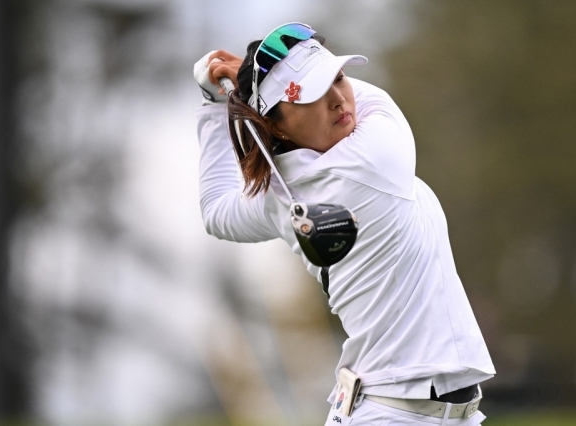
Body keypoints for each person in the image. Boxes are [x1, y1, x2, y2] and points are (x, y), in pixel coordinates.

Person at [193, 22, 495, 426]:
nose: (338, 99)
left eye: (338, 78)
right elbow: (373, 99)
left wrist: (216, 104)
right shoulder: (375, 157)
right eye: (314, 94)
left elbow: (215, 211)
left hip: (416, 411)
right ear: (276, 125)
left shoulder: (278, 195)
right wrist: (247, 78)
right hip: (395, 415)